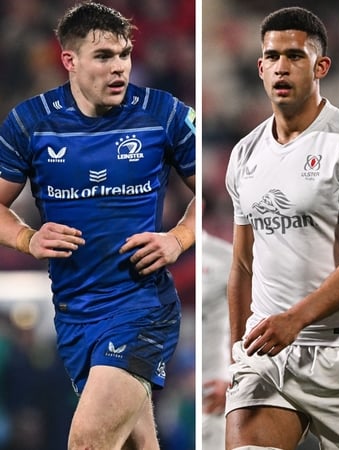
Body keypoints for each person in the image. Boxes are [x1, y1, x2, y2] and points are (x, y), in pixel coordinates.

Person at [0, 2, 196, 448]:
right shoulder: (30, 124)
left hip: (141, 308)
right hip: (74, 315)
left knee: (87, 441)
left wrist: (178, 238)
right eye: (104, 56)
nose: (120, 67)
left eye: (124, 54)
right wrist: (28, 238)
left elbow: (226, 188)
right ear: (69, 60)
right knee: (136, 443)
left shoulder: (162, 114)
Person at [223, 6, 339, 450]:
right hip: (268, 353)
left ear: (321, 67)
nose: (282, 66)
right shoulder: (244, 154)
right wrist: (235, 350)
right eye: (273, 56)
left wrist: (295, 320)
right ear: (260, 67)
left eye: (296, 56)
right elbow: (242, 263)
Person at [201, 230, 232, 450]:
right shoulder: (151, 248)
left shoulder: (225, 257)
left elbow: (248, 320)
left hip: (213, 385)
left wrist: (231, 374)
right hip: (171, 380)